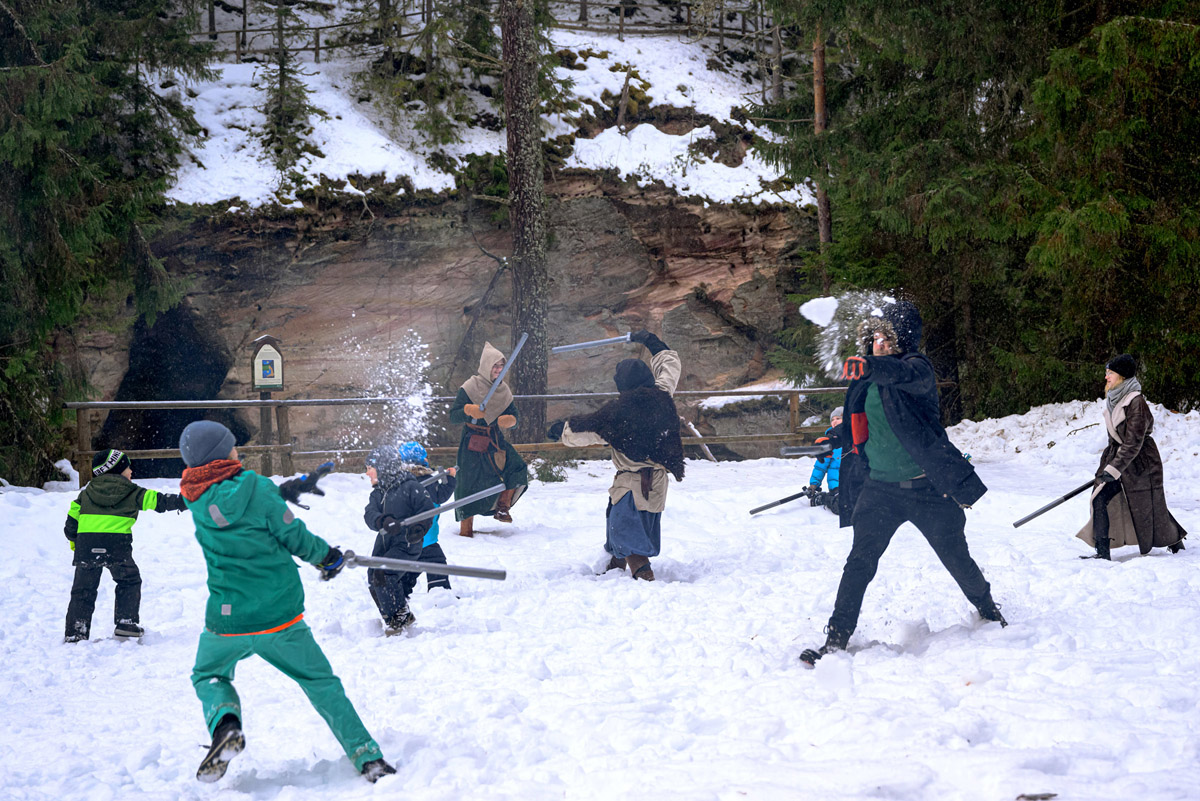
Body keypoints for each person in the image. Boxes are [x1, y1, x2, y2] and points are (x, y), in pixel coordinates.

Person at [177, 420, 395, 784]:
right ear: (222, 454)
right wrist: (328, 558)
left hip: (226, 622)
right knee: (320, 682)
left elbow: (236, 503)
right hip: (278, 616)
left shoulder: (195, 498)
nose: (237, 451)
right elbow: (294, 536)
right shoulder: (256, 488)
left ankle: (225, 725)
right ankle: (367, 757)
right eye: (232, 447)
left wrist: (282, 491)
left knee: (208, 674)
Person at [801, 301, 1006, 667]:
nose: (878, 343)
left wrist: (870, 364)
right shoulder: (864, 381)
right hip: (879, 490)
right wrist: (838, 439)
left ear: (902, 339)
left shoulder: (916, 370)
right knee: (858, 564)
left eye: (886, 337)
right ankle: (835, 639)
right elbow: (859, 425)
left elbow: (901, 373)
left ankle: (989, 610)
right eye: (875, 337)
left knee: (956, 559)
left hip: (927, 488)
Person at [546, 330, 685, 581]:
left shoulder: (618, 414)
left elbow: (587, 430)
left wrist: (560, 430)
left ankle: (643, 576)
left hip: (633, 484)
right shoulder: (662, 394)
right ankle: (613, 566)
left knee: (626, 529)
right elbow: (670, 366)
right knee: (625, 525)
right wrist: (653, 342)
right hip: (656, 483)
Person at [62, 448, 187, 642]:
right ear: (118, 470)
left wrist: (76, 543)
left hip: (87, 546)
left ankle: (76, 632)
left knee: (83, 590)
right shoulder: (132, 491)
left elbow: (71, 525)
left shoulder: (85, 494)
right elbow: (159, 502)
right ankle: (125, 622)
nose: (131, 472)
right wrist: (184, 501)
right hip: (116, 546)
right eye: (128, 468)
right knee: (129, 580)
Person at [1075, 354, 1187, 560]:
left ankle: (1174, 540)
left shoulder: (1136, 402)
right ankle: (1102, 552)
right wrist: (1108, 466)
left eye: (1110, 373)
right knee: (1100, 498)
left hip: (1141, 463)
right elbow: (1117, 440)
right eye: (1107, 373)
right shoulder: (1113, 399)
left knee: (1149, 505)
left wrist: (1114, 468)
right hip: (1120, 459)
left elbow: (1134, 442)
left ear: (1123, 377)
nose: (1106, 377)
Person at [449, 342, 529, 537]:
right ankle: (465, 528)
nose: (498, 370)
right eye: (495, 366)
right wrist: (469, 410)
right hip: (472, 441)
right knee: (468, 482)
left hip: (494, 438)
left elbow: (515, 416)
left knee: (516, 466)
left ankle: (503, 506)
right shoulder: (470, 387)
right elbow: (454, 415)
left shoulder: (504, 391)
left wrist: (510, 420)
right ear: (486, 366)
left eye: (501, 366)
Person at [363, 446, 435, 634]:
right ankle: (395, 615)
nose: (367, 472)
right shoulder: (378, 492)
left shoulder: (411, 487)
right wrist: (383, 520)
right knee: (373, 576)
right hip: (384, 544)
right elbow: (369, 514)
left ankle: (398, 619)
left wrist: (418, 529)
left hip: (406, 542)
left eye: (370, 467)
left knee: (384, 574)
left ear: (383, 466)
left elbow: (427, 510)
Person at [398, 441, 457, 592]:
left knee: (410, 566)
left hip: (405, 539)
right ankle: (440, 592)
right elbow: (440, 496)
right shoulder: (426, 480)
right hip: (426, 537)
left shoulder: (399, 482)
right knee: (435, 562)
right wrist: (450, 478)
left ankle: (400, 592)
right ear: (423, 460)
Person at [807, 406, 843, 514]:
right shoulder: (829, 443)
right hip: (836, 487)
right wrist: (814, 484)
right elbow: (820, 467)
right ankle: (823, 498)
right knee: (841, 506)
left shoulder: (854, 441)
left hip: (852, 485)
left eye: (838, 418)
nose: (835, 422)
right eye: (832, 419)